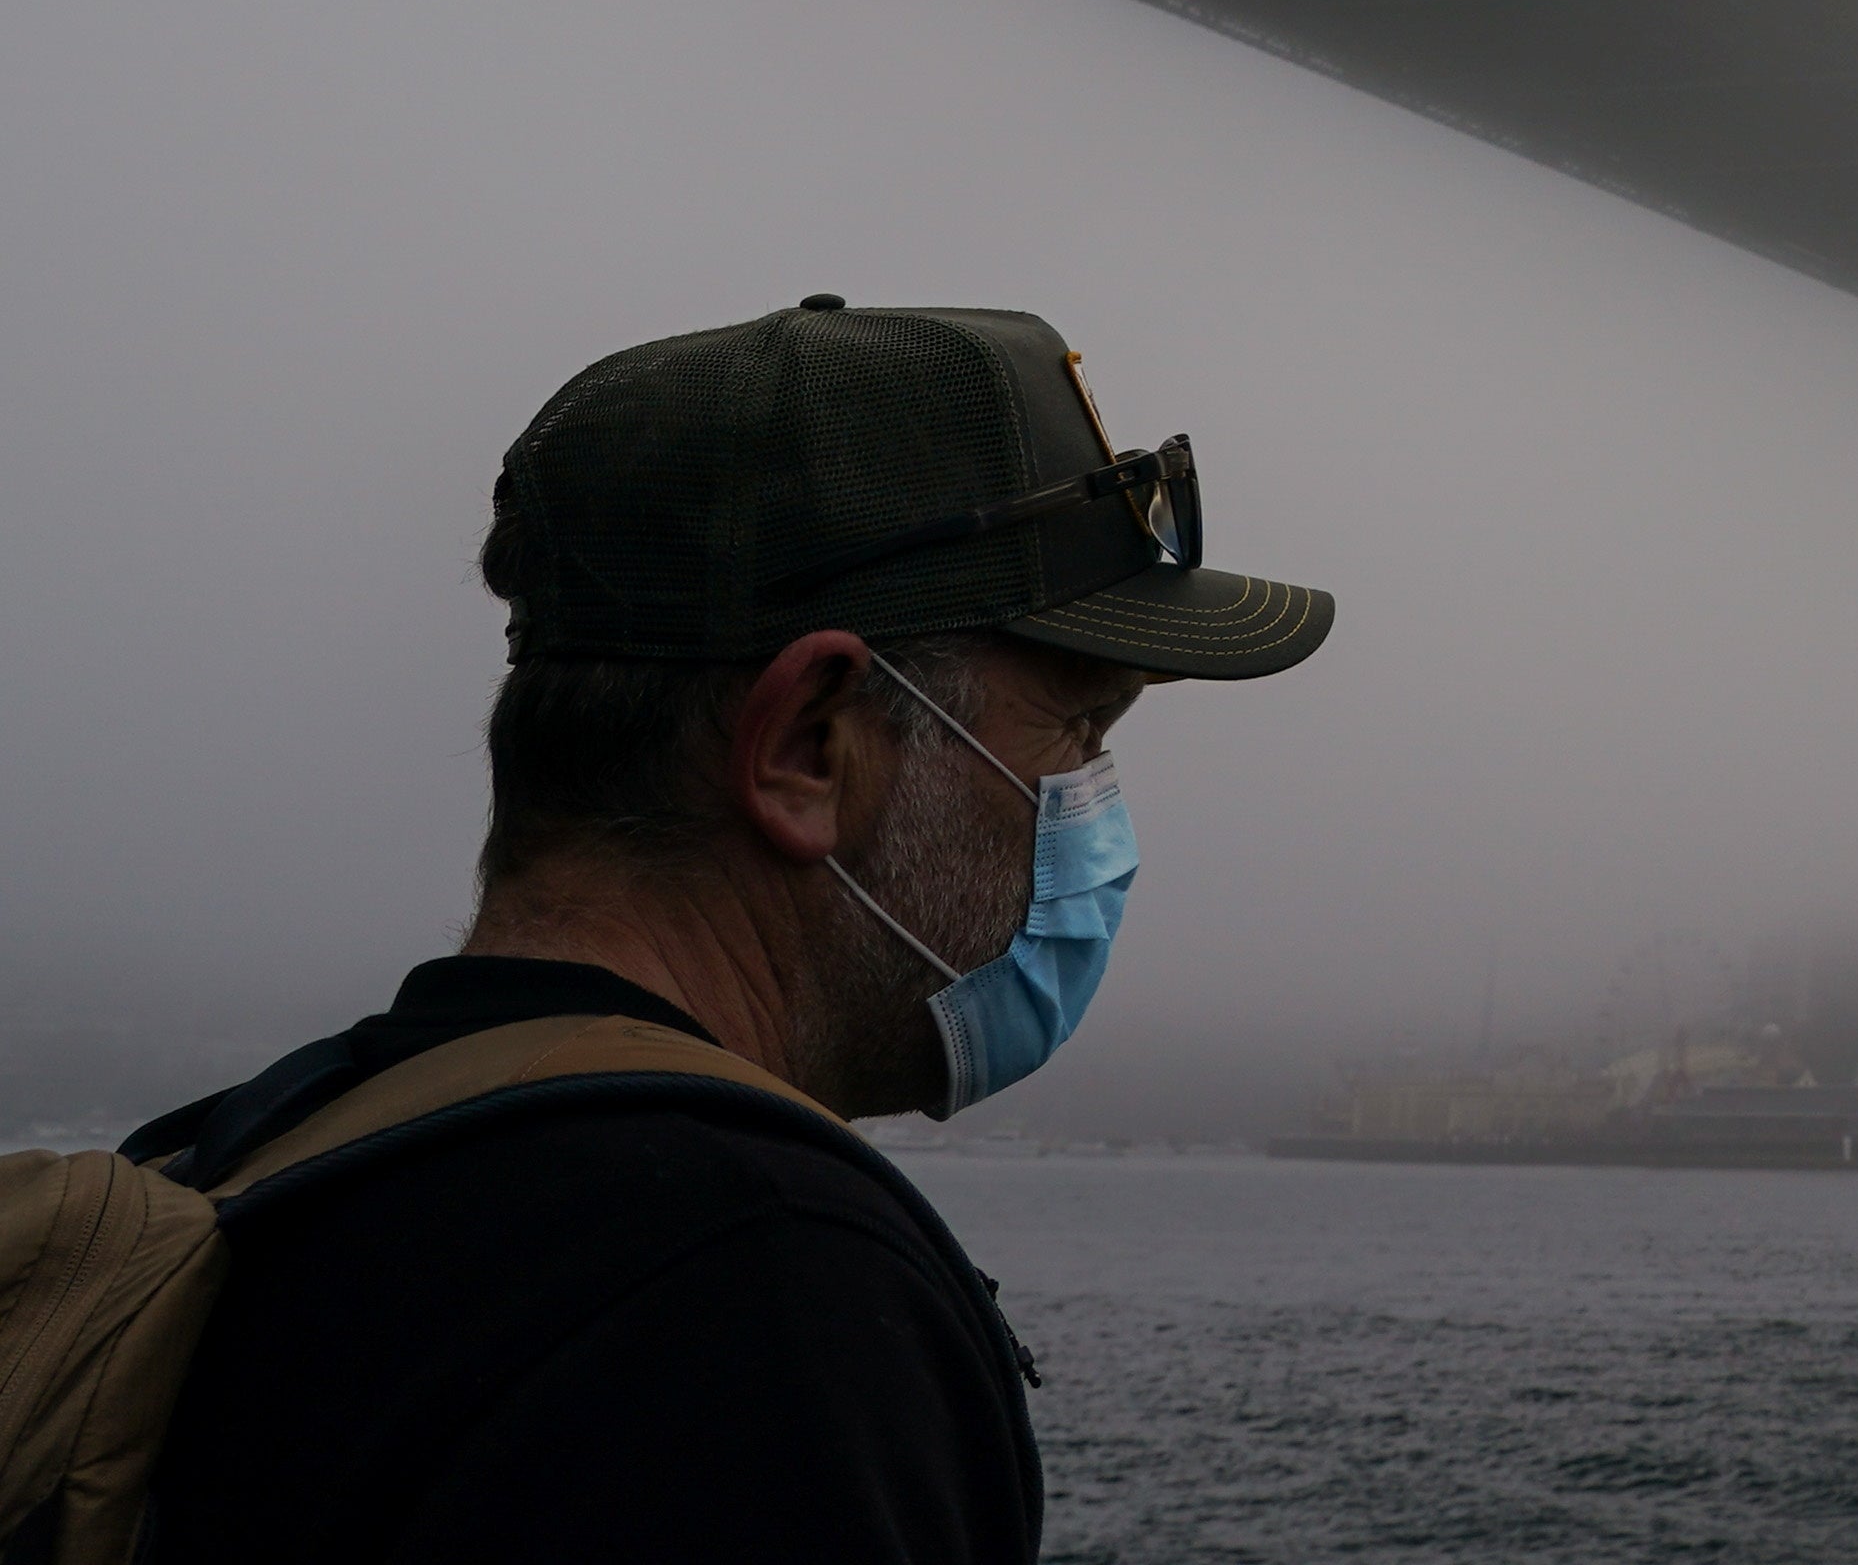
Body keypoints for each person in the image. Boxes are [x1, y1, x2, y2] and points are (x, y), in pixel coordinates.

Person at [122, 297, 1333, 1565]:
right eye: (1080, 731)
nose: (1095, 807)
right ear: (810, 743)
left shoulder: (259, 1166)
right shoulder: (749, 1293)